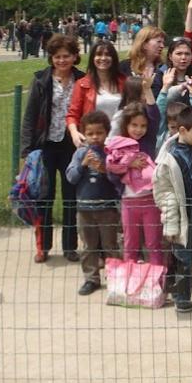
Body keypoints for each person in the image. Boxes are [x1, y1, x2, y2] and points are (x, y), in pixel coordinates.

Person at [20, 35, 84, 263]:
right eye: (57, 56)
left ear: (75, 56)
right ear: (51, 58)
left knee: (71, 198)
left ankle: (70, 246)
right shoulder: (41, 81)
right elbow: (29, 117)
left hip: (72, 146)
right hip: (45, 145)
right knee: (44, 198)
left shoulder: (83, 80)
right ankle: (43, 246)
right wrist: (26, 152)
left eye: (66, 56)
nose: (62, 60)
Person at [154, 105, 192, 313]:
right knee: (183, 258)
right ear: (182, 131)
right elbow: (164, 194)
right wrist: (170, 224)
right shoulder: (167, 160)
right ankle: (182, 295)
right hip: (183, 217)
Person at [64, 111, 121, 296]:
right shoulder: (80, 153)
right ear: (84, 134)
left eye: (99, 133)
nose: (95, 137)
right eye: (90, 133)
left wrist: (105, 170)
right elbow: (71, 178)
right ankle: (91, 278)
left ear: (106, 133)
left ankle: (116, 278)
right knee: (89, 247)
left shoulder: (110, 153)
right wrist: (83, 165)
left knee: (110, 245)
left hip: (107, 208)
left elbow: (119, 180)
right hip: (84, 208)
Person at [106, 99, 162, 266]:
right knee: (130, 244)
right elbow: (111, 172)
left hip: (150, 201)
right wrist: (127, 165)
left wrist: (148, 92)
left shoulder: (148, 142)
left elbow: (155, 115)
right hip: (129, 202)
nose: (139, 130)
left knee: (153, 243)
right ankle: (130, 280)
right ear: (126, 125)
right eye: (134, 125)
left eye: (143, 126)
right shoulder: (117, 145)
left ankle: (157, 281)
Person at [66, 41, 126, 147]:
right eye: (98, 54)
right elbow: (72, 114)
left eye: (107, 55)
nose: (103, 58)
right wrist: (74, 133)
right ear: (92, 58)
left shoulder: (124, 82)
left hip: (120, 143)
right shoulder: (82, 84)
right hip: (93, 143)